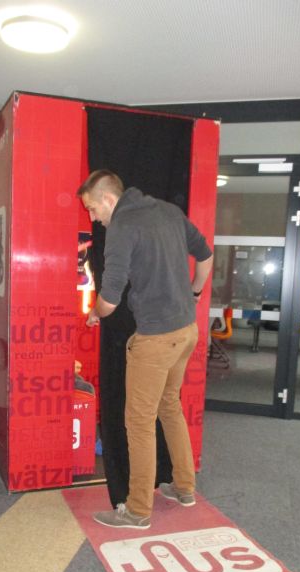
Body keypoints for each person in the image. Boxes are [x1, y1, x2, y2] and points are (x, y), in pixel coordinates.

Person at [77, 169, 213, 529]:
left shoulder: (122, 225)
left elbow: (110, 296)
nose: (93, 217)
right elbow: (205, 255)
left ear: (109, 199)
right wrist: (195, 292)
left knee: (138, 421)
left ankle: (137, 510)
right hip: (186, 331)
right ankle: (184, 486)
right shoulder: (168, 211)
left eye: (92, 209)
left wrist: (95, 313)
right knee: (169, 406)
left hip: (155, 339)